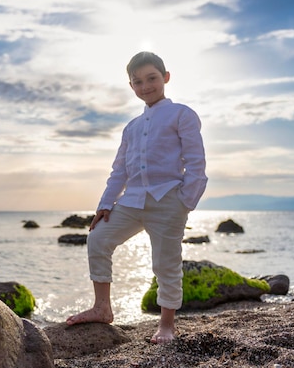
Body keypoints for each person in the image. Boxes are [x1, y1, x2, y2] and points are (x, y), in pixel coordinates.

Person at [66, 51, 208, 344]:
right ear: (131, 86)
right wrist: (106, 204)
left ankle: (166, 325)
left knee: (165, 263)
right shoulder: (131, 127)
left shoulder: (182, 114)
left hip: (169, 199)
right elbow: (119, 170)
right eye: (138, 81)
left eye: (151, 78)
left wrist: (185, 201)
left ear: (165, 77)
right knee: (98, 238)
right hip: (131, 201)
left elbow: (196, 162)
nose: (145, 86)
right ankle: (102, 307)